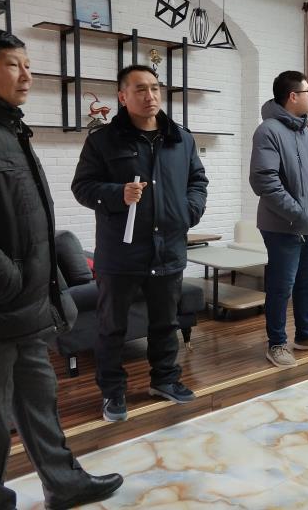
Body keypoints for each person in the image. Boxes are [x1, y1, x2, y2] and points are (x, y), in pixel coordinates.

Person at [0, 29, 123, 509]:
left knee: (40, 403)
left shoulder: (8, 128)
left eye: (29, 65)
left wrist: (39, 290)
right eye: (13, 65)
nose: (27, 76)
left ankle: (65, 483)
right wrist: (9, 284)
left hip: (24, 308)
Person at [72, 65, 208, 421]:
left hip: (169, 248)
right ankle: (113, 392)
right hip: (121, 253)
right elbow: (82, 187)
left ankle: (165, 380)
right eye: (140, 89)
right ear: (122, 96)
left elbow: (197, 181)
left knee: (165, 323)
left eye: (154, 88)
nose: (150, 96)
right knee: (111, 328)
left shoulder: (181, 139)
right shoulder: (103, 140)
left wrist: (189, 212)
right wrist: (117, 194)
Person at [249, 70, 308, 368]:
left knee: (307, 281)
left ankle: (305, 335)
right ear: (293, 96)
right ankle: (277, 343)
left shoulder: (304, 131)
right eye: (307, 91)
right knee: (281, 286)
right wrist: (298, 215)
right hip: (283, 226)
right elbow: (264, 182)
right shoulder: (268, 131)